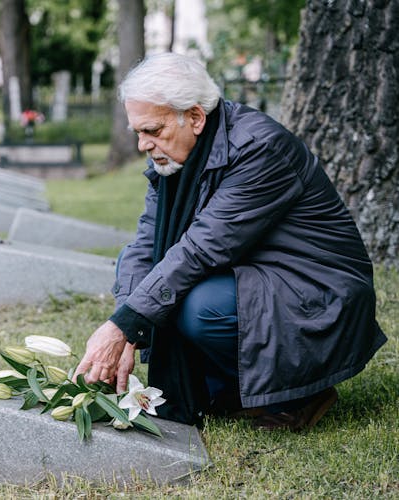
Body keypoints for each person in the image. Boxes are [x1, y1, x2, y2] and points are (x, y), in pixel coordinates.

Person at [74, 52, 387, 431]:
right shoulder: (175, 156)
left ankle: (300, 393)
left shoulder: (259, 148)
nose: (143, 145)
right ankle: (235, 389)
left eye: (152, 131)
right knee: (144, 272)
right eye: (137, 132)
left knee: (199, 308)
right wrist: (126, 326)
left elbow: (202, 250)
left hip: (319, 293)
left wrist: (122, 327)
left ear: (194, 117)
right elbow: (145, 244)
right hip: (259, 276)